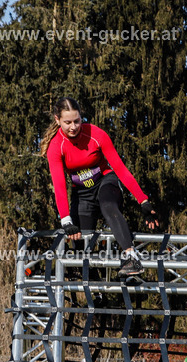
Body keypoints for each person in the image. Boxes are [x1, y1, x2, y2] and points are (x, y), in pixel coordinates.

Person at [42, 97, 159, 279]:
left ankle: (131, 257)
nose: (73, 127)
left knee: (108, 206)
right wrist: (66, 221)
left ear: (81, 118)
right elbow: (59, 185)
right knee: (80, 244)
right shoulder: (56, 147)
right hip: (82, 193)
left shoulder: (95, 134)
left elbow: (120, 168)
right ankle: (96, 293)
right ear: (57, 120)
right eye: (67, 123)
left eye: (77, 121)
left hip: (106, 182)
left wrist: (142, 200)